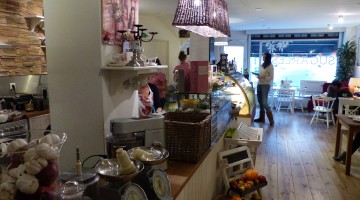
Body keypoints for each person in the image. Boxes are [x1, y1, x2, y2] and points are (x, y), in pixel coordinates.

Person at [254, 52, 275, 126]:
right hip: (259, 84)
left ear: (267, 58)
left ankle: (271, 120)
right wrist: (259, 75)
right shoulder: (262, 65)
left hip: (265, 85)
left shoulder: (270, 66)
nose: (263, 58)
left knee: (264, 102)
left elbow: (271, 77)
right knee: (260, 101)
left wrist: (263, 77)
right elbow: (262, 73)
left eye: (264, 57)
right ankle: (261, 118)